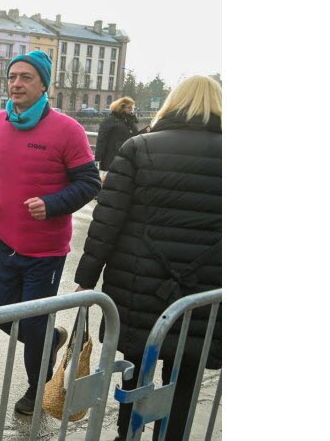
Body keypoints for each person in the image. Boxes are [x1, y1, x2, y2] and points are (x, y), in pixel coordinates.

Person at [74, 75, 222, 441]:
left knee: (134, 370)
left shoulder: (139, 148)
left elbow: (106, 222)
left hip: (137, 284)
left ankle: (127, 434)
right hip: (205, 291)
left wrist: (86, 279)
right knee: (185, 374)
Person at [0, 50, 101, 415]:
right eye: (12, 76)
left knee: (31, 323)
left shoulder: (68, 129)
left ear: (44, 84)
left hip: (44, 250)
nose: (16, 83)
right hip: (4, 241)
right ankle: (52, 337)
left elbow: (89, 182)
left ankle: (37, 387)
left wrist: (53, 204)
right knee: (4, 317)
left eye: (26, 77)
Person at [94, 96, 138, 176]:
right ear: (121, 107)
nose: (131, 110)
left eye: (132, 107)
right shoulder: (110, 120)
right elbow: (102, 139)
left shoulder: (130, 121)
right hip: (113, 157)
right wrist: (98, 159)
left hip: (128, 157)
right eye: (129, 107)